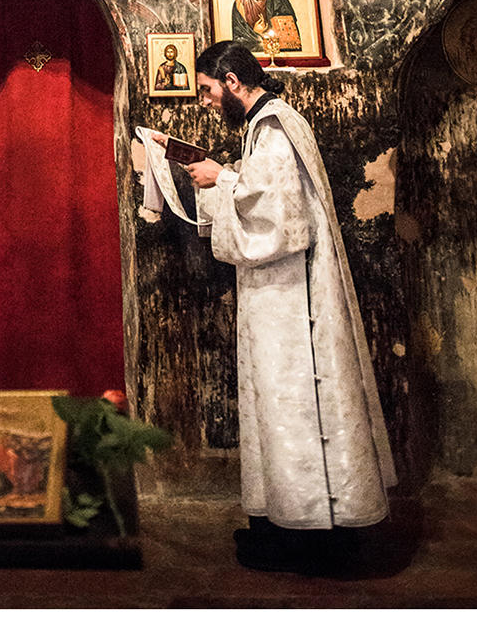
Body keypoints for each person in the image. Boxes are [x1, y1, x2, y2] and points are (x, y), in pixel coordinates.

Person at [156, 41, 396, 574]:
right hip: (278, 292)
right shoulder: (264, 125)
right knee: (278, 403)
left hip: (294, 299)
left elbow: (283, 218)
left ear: (232, 82)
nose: (205, 101)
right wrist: (224, 177)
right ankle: (283, 523)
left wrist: (221, 178)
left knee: (298, 403)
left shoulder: (274, 127)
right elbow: (264, 191)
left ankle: (314, 539)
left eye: (207, 90)